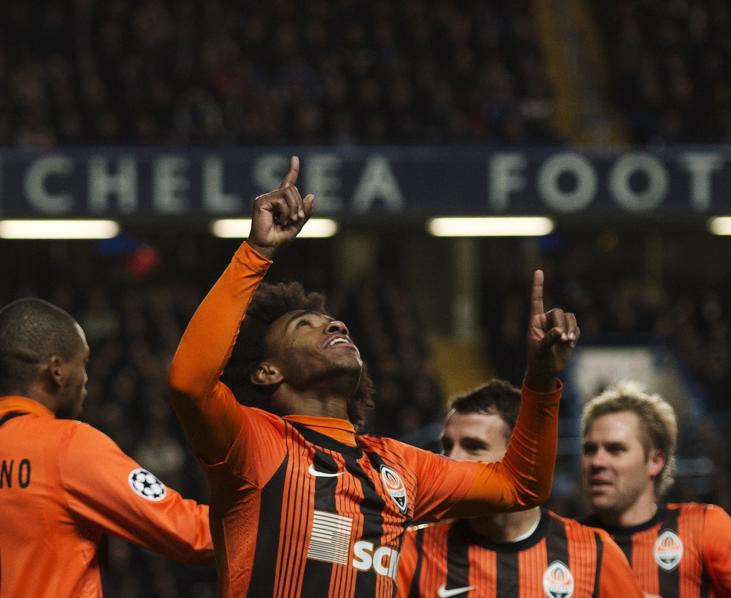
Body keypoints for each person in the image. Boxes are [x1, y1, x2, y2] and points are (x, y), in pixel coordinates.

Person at [167, 156, 580, 597]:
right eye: (304, 325)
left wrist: (539, 381)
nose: (335, 325)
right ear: (268, 372)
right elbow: (190, 383)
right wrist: (256, 254)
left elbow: (522, 485)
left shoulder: (397, 466)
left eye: (333, 322)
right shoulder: (253, 444)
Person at [0, 298, 213, 598]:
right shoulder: (67, 445)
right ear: (56, 370)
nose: (86, 380)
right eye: (83, 363)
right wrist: (285, 522)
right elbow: (191, 533)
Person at [396, 379, 640, 598]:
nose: (450, 460)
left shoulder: (594, 554)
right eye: (447, 446)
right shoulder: (410, 552)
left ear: (519, 459)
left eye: (473, 446)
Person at [579, 381, 731, 598]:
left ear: (655, 461)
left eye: (615, 449)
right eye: (590, 450)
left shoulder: (705, 528)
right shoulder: (564, 542)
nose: (597, 461)